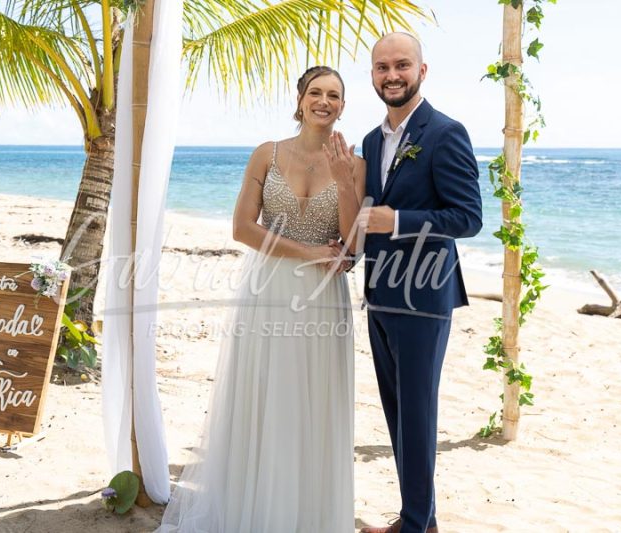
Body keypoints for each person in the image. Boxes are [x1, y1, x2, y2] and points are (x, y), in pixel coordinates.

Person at [156, 66, 366, 532]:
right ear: (300, 97)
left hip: (322, 299)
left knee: (312, 406)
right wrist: (309, 250)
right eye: (316, 92)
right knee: (264, 398)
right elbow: (242, 228)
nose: (324, 101)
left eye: (334, 95)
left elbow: (353, 248)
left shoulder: (355, 162)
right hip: (268, 290)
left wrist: (345, 181)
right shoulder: (265, 154)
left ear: (343, 106)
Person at [356, 33, 483, 533]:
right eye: (383, 67)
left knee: (417, 411)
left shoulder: (446, 133)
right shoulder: (369, 141)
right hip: (380, 294)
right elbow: (368, 214)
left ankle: (414, 525)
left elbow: (468, 218)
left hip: (425, 298)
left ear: (422, 71)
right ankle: (419, 520)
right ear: (372, 76)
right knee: (395, 411)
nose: (392, 75)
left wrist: (400, 221)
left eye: (402, 65)